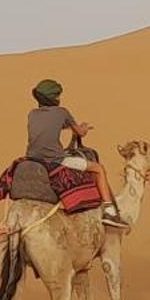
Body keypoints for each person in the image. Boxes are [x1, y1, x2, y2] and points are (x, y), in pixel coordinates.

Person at [24, 78, 125, 225]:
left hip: (32, 158)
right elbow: (80, 132)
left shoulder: (32, 114)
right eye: (57, 95)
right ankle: (109, 210)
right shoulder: (62, 112)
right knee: (98, 169)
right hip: (55, 160)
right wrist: (83, 127)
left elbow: (48, 127)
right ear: (54, 98)